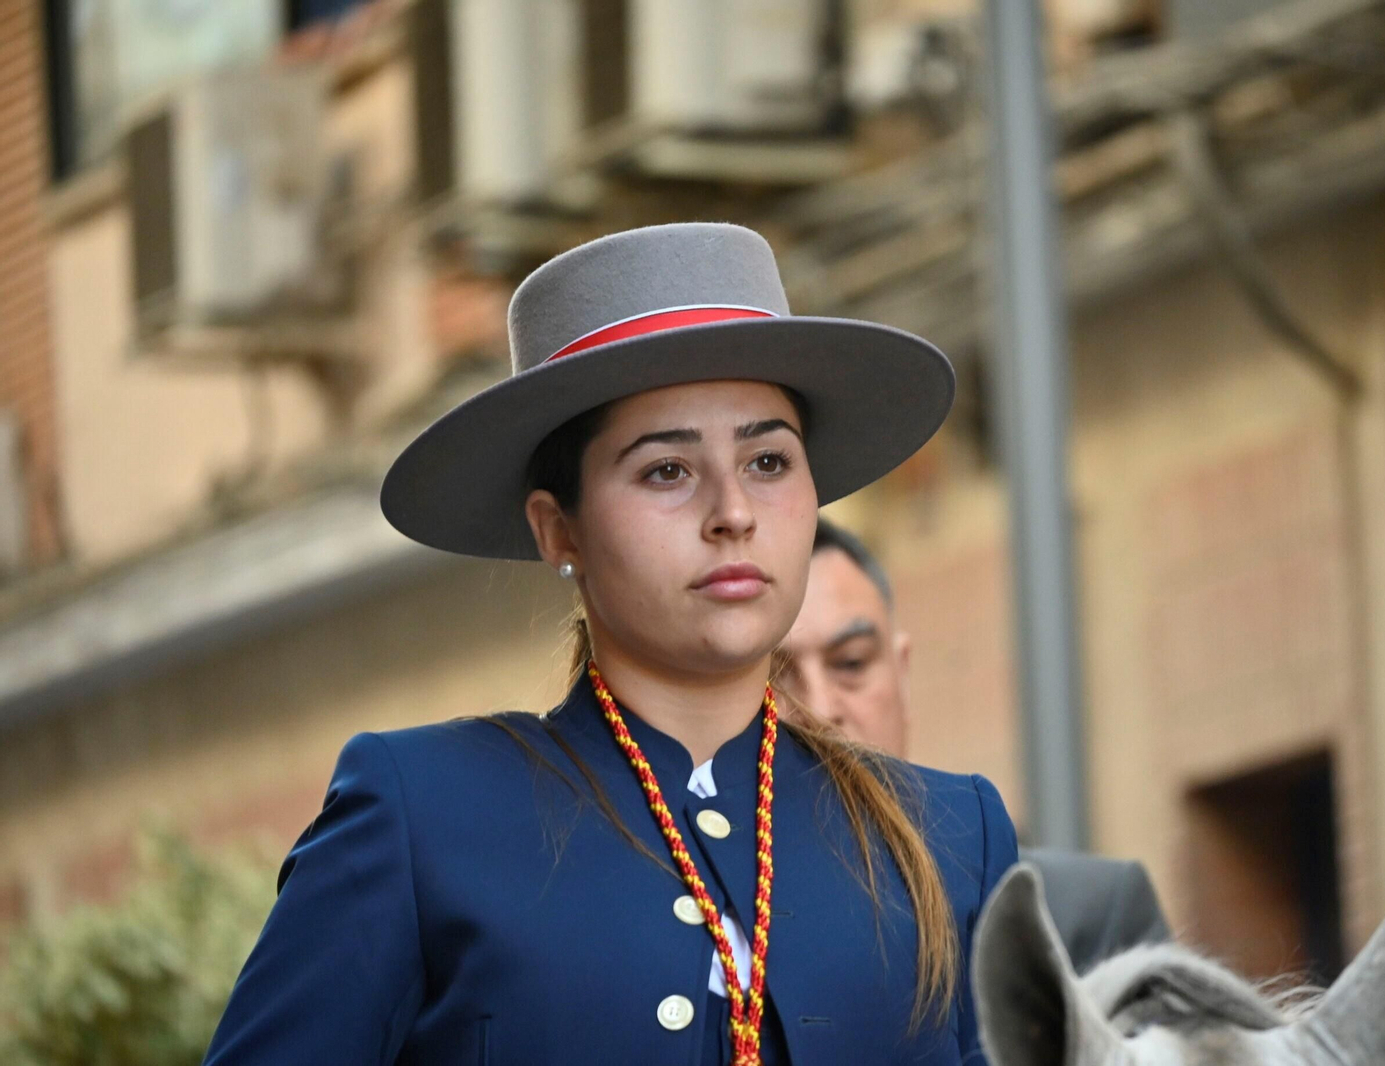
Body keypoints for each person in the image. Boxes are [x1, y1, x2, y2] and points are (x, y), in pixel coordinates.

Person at [202, 223, 1016, 1066]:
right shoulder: (424, 818)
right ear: (560, 530)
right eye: (667, 470)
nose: (732, 512)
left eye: (769, 461)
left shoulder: (950, 834)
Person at [779, 518, 1170, 971]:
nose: (819, 709)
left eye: (850, 663)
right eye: (773, 680)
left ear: (902, 676)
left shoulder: (1082, 921)